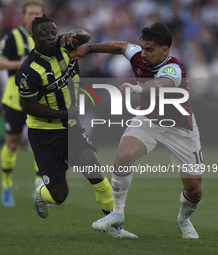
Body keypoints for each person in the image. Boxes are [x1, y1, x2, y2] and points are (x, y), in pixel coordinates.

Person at [69, 22, 203, 239]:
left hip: (180, 128)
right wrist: (88, 49)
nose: (143, 53)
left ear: (165, 50)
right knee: (122, 157)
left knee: (194, 190)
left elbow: (164, 83)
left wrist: (137, 87)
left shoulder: (173, 67)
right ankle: (117, 215)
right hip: (148, 119)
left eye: (149, 49)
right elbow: (121, 46)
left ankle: (184, 220)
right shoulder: (139, 55)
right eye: (142, 47)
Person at [15, 14, 136, 238]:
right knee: (59, 196)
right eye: (44, 34)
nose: (51, 37)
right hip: (44, 135)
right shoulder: (28, 71)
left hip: (72, 128)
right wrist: (64, 112)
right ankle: (41, 190)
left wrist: (78, 34)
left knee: (97, 176)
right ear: (34, 38)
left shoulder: (65, 44)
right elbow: (29, 106)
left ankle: (115, 229)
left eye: (53, 32)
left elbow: (86, 36)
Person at [0, 0, 44, 207]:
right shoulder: (13, 37)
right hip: (15, 99)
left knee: (39, 144)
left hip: (39, 99)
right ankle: (6, 186)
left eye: (37, 13)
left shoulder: (46, 38)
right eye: (30, 13)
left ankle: (39, 189)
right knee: (12, 143)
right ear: (23, 16)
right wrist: (20, 63)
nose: (33, 17)